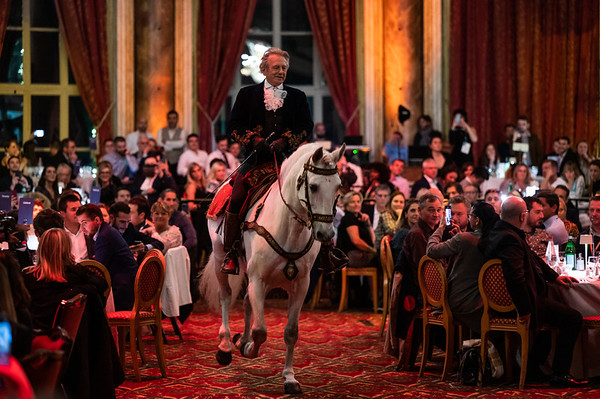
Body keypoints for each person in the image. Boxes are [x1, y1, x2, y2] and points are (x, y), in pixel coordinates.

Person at [222, 47, 313, 274]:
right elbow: (233, 126)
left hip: (287, 163)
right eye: (276, 68)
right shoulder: (246, 94)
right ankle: (232, 251)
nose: (281, 72)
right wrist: (254, 140)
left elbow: (306, 127)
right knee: (238, 193)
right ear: (264, 70)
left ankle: (325, 250)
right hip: (254, 160)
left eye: (284, 68)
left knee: (314, 195)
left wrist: (286, 140)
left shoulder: (298, 97)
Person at [483, 196, 584, 387]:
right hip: (518, 303)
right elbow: (515, 278)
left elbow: (531, 258)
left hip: (513, 299)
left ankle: (533, 368)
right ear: (523, 216)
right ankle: (560, 374)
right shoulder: (509, 238)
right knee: (573, 318)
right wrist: (525, 310)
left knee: (552, 314)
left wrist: (554, 277)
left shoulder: (501, 231)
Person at [387, 193, 442, 368]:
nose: (436, 214)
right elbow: (424, 267)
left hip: (422, 285)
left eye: (439, 210)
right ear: (420, 211)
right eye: (431, 210)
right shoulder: (418, 233)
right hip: (416, 289)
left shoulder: (431, 230)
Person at [427, 202, 499, 333]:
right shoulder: (496, 239)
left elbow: (431, 250)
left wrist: (441, 227)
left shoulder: (464, 238)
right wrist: (459, 236)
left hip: (462, 301)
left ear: (477, 220)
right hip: (490, 303)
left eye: (471, 215)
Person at [76, 204, 139, 311]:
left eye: (84, 223)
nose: (82, 229)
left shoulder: (105, 236)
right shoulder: (103, 231)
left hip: (123, 290)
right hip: (123, 285)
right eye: (80, 224)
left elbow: (99, 269)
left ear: (96, 220)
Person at [158, 189, 197, 253]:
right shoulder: (155, 215)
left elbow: (192, 239)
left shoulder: (181, 217)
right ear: (160, 200)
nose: (171, 203)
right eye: (168, 200)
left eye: (174, 200)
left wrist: (178, 252)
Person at [57, 193, 89, 263]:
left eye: (79, 209)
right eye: (73, 209)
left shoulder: (89, 231)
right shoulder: (58, 235)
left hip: (88, 271)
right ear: (62, 214)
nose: (78, 212)